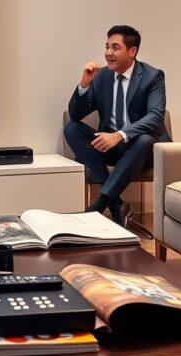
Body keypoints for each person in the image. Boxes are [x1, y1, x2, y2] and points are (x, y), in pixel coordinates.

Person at [63, 25, 170, 226]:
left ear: (132, 51)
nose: (108, 53)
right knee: (71, 128)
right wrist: (84, 85)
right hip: (111, 146)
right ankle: (116, 204)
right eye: (106, 47)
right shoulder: (101, 76)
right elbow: (76, 115)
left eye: (115, 47)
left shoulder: (152, 76)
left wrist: (120, 134)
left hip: (143, 149)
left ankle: (100, 204)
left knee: (144, 139)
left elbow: (155, 117)